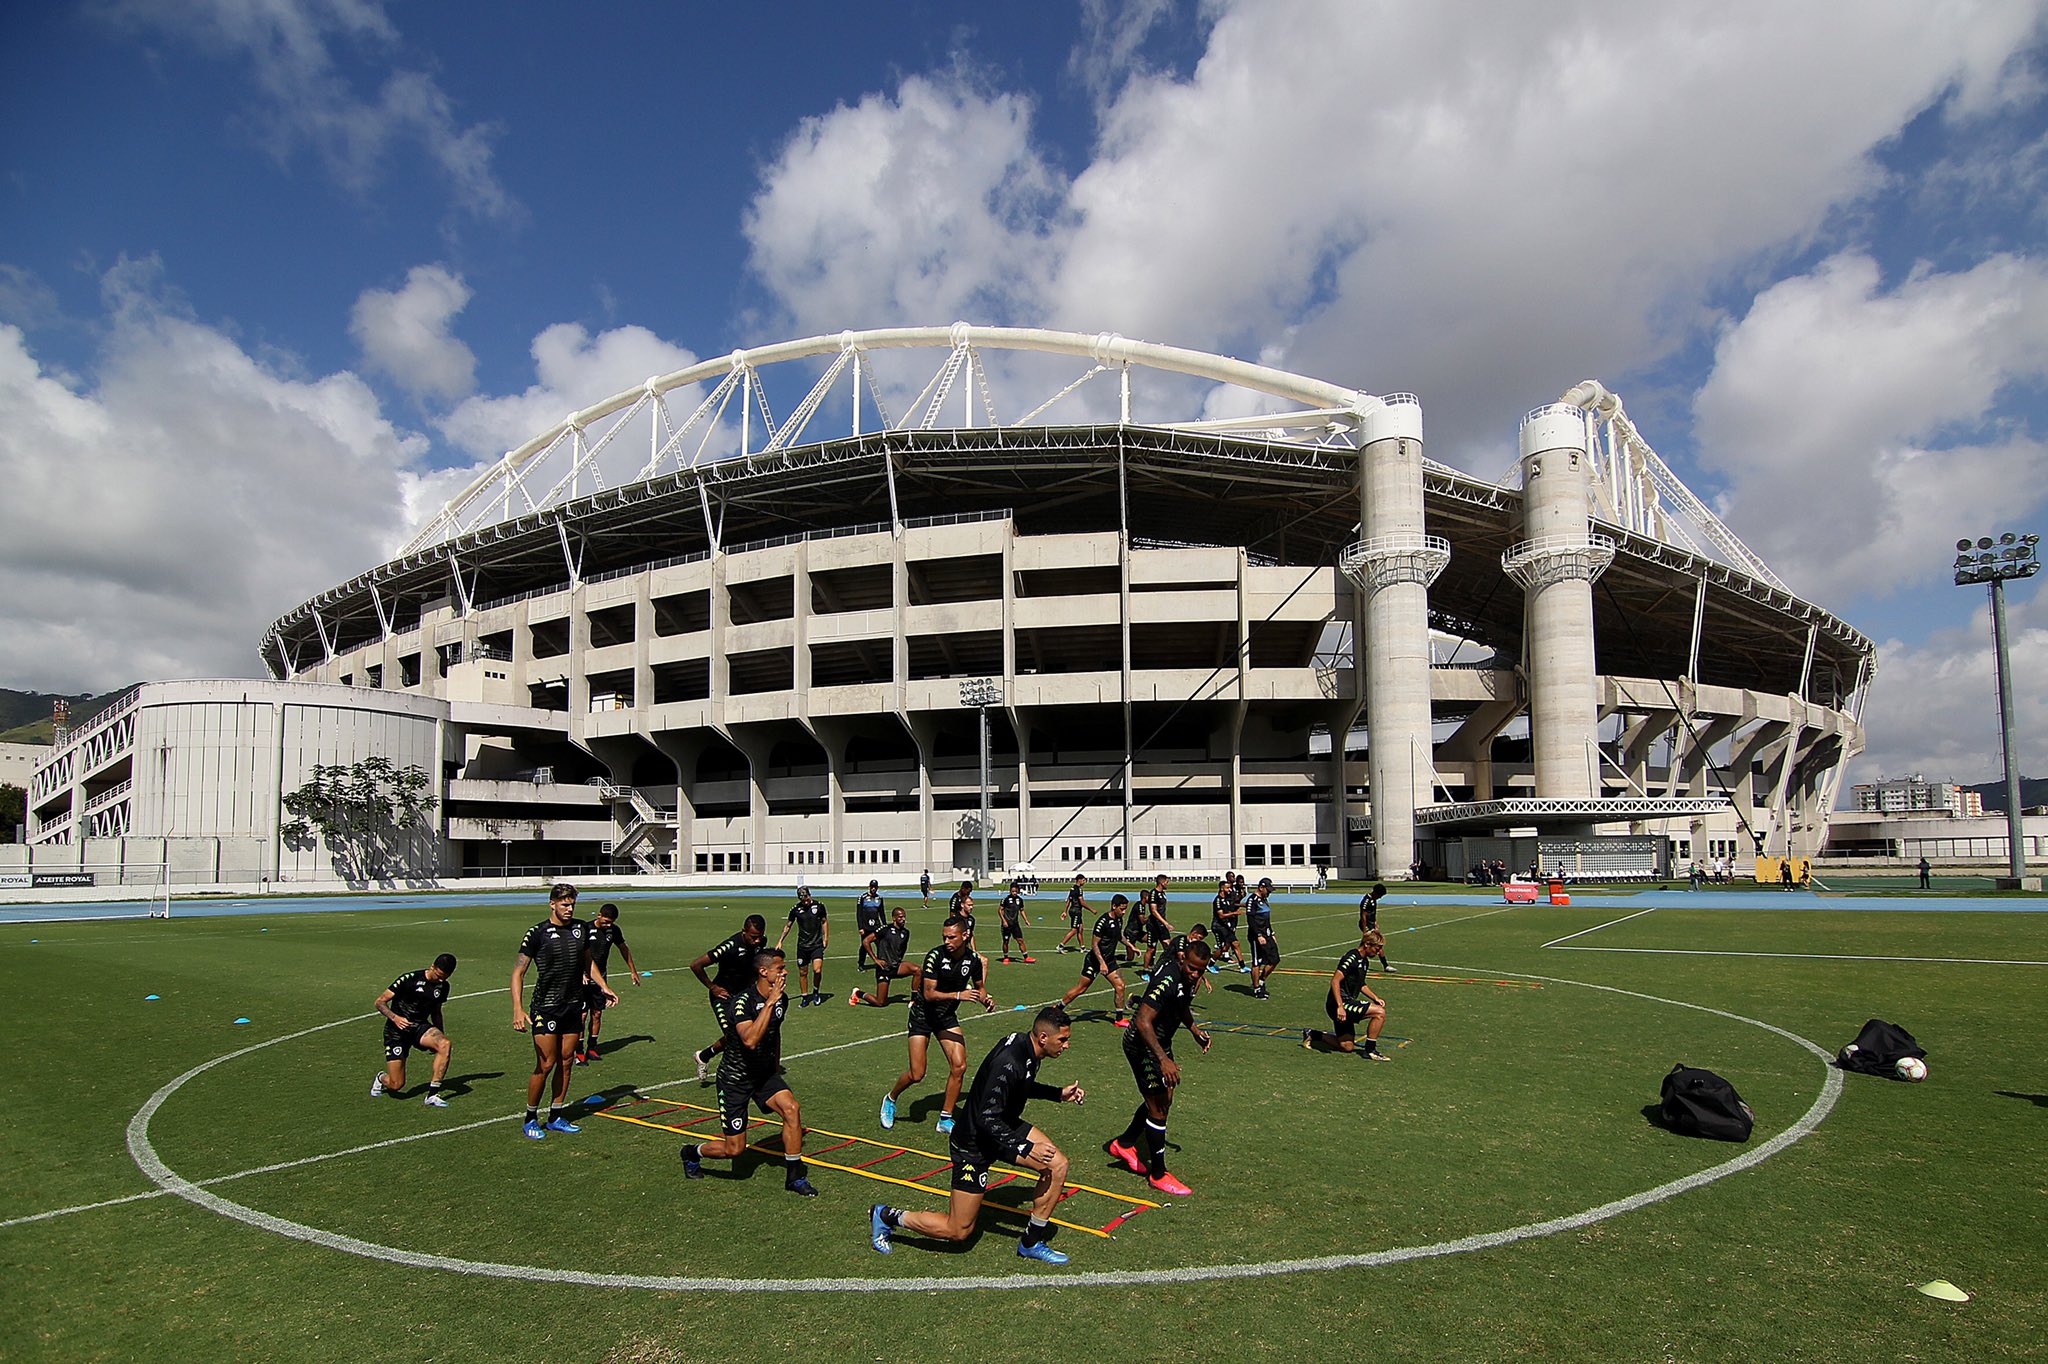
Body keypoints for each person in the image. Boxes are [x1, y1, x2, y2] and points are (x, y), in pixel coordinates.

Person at [869, 1005, 1085, 1263]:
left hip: (1003, 1127)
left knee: (1058, 1165)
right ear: (1043, 1038)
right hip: (973, 1143)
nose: (1067, 1045)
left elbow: (1021, 1083)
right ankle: (885, 1216)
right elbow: (985, 1118)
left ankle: (1030, 1242)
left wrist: (1057, 1094)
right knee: (958, 1231)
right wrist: (1026, 1148)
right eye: (1063, 1039)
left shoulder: (1026, 1048)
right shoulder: (1010, 1061)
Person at [678, 948, 818, 1197]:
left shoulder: (781, 999)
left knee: (792, 1109)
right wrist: (771, 1001)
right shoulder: (741, 1003)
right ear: (764, 972)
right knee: (734, 1150)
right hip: (735, 1079)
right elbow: (751, 1040)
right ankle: (691, 1153)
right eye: (780, 968)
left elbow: (774, 1034)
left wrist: (775, 1066)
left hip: (763, 1075)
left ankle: (795, 1176)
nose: (785, 972)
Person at [1107, 938, 1213, 1196]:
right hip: (1142, 1043)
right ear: (1181, 959)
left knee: (1164, 1099)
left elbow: (1181, 1004)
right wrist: (1163, 1060)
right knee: (1159, 1107)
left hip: (1160, 1042)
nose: (1195, 974)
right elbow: (1143, 1020)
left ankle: (1125, 1143)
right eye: (1191, 968)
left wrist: (1194, 1030)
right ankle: (1158, 1174)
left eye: (1201, 970)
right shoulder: (1167, 979)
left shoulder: (1188, 980)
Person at [511, 883, 616, 1140]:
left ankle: (556, 1114)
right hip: (546, 1008)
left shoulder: (581, 929)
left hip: (573, 1005)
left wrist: (603, 986)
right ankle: (530, 1117)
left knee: (567, 1061)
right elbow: (518, 972)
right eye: (564, 904)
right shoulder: (537, 933)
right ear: (552, 904)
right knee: (546, 1064)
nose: (569, 909)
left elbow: (588, 962)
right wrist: (517, 1008)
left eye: (572, 905)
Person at [881, 916, 992, 1134]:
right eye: (944, 937)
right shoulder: (934, 956)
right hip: (923, 1016)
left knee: (959, 1066)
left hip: (946, 1018)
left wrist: (985, 999)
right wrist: (959, 995)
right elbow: (929, 994)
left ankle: (945, 1118)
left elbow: (980, 987)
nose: (947, 941)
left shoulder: (974, 960)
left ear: (965, 936)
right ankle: (890, 1098)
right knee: (917, 1074)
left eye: (952, 937)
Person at [688, 913, 768, 1085]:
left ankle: (703, 1056)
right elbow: (696, 965)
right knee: (734, 1037)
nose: (757, 941)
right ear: (743, 931)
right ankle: (730, 1075)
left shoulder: (761, 943)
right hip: (723, 997)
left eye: (760, 937)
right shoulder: (729, 946)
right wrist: (713, 987)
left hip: (744, 997)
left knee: (747, 1035)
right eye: (753, 937)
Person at [371, 952, 457, 1106]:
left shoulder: (443, 986)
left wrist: (439, 1033)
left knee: (445, 1044)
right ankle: (381, 1078)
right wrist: (395, 1018)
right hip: (396, 1032)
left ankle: (432, 1094)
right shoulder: (409, 979)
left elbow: (436, 1012)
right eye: (438, 976)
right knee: (396, 1084)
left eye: (445, 977)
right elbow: (380, 1002)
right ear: (432, 967)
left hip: (419, 1027)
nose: (441, 980)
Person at [1302, 932, 1392, 1059]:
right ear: (1367, 944)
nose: (1379, 952)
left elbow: (1360, 984)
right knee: (1379, 1013)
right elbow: (1335, 980)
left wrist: (1375, 998)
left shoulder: (1364, 961)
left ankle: (1314, 1034)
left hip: (1346, 1003)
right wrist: (1340, 1006)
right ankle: (1370, 1051)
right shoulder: (1351, 958)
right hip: (1338, 1004)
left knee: (1347, 1046)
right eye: (1377, 948)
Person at [1057, 893, 1133, 1025]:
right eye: (1122, 909)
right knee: (1081, 988)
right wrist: (1102, 963)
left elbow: (1119, 936)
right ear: (1114, 906)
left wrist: (1131, 946)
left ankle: (1119, 1019)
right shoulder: (1102, 922)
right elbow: (1094, 945)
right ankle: (1058, 1009)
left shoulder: (1119, 920)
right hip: (1094, 960)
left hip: (1109, 961)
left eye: (1125, 909)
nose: (1124, 912)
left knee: (1120, 986)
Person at [579, 902, 640, 1063]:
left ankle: (592, 1048)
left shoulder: (613, 930)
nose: (608, 925)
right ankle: (578, 1051)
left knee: (597, 1013)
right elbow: (577, 952)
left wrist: (633, 971)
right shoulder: (585, 928)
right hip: (584, 978)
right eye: (605, 921)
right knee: (582, 1015)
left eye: (611, 922)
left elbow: (624, 949)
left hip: (601, 977)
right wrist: (581, 973)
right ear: (599, 915)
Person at [850, 905, 919, 1007]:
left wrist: (898, 959)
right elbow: (866, 941)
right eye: (900, 917)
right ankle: (857, 993)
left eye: (904, 917)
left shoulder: (906, 932)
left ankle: (914, 1001)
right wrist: (876, 959)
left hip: (896, 966)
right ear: (894, 918)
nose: (903, 919)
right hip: (884, 968)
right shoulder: (885, 929)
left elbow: (902, 948)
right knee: (880, 1002)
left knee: (918, 970)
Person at [776, 886, 830, 1006]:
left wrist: (826, 938)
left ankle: (816, 991)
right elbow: (788, 926)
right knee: (803, 973)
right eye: (802, 899)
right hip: (802, 946)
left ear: (809, 895)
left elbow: (824, 921)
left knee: (817, 970)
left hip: (816, 944)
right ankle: (805, 996)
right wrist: (780, 941)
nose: (804, 901)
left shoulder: (819, 906)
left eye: (806, 897)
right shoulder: (796, 909)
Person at [1245, 876, 1280, 999]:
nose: (1269, 893)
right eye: (1268, 890)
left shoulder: (1264, 900)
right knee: (1256, 962)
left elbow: (1266, 920)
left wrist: (1272, 933)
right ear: (1261, 888)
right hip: (1256, 936)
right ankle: (1256, 989)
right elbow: (1251, 920)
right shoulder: (1252, 900)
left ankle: (1261, 980)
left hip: (1267, 934)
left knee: (1274, 959)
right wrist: (1258, 935)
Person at [1209, 875, 1245, 973]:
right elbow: (1221, 915)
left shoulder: (1228, 898)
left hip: (1226, 926)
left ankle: (1242, 966)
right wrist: (1234, 913)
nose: (1230, 889)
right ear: (1222, 888)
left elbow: (1234, 905)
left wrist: (1245, 905)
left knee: (1236, 944)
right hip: (1218, 926)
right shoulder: (1217, 900)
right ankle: (1210, 964)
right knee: (1222, 948)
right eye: (1227, 888)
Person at [1359, 881, 1395, 974]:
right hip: (1366, 925)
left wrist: (1375, 923)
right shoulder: (1366, 901)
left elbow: (1373, 913)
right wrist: (1365, 929)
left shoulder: (1373, 900)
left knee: (1366, 944)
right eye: (1380, 895)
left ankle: (1360, 962)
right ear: (1375, 893)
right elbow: (1363, 916)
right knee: (1376, 944)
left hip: (1371, 924)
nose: (1380, 898)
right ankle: (1385, 966)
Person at [997, 881, 1035, 963]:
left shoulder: (1020, 900)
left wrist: (1026, 920)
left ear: (1018, 891)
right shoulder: (1005, 900)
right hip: (1006, 925)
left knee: (1020, 940)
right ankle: (1006, 957)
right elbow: (1000, 910)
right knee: (1006, 941)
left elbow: (1022, 911)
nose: (1014, 893)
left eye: (1015, 891)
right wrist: (1004, 921)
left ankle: (1026, 957)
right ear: (1010, 891)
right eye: (1012, 891)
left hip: (1015, 924)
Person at [854, 879, 887, 970]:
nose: (873, 889)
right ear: (869, 887)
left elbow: (882, 913)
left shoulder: (879, 899)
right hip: (865, 926)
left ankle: (881, 962)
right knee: (864, 946)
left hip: (876, 926)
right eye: (872, 887)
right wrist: (860, 927)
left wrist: (885, 925)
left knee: (880, 945)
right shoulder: (862, 897)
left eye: (875, 887)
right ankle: (861, 964)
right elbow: (859, 913)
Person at [1056, 873, 1089, 953]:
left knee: (1080, 929)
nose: (1084, 882)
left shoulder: (1072, 888)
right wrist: (1092, 910)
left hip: (1073, 910)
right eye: (1084, 880)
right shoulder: (1079, 889)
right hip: (1076, 911)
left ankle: (1082, 947)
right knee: (1074, 930)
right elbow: (1082, 902)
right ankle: (1061, 945)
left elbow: (1068, 900)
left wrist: (1065, 911)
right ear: (1079, 880)